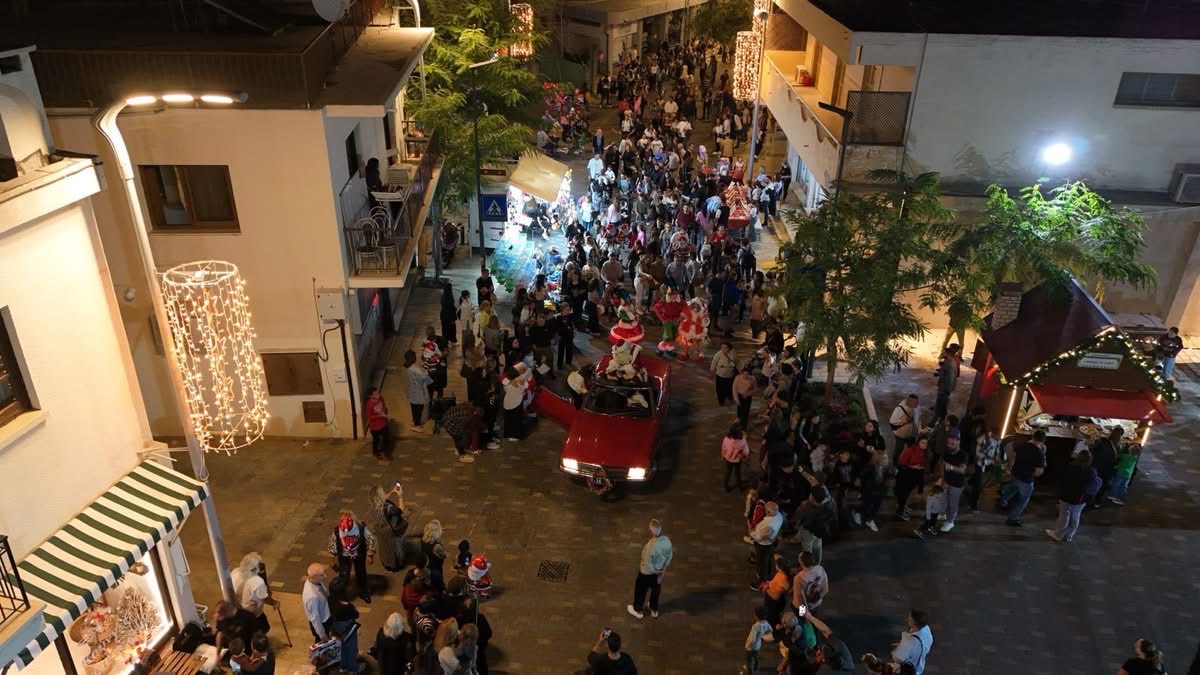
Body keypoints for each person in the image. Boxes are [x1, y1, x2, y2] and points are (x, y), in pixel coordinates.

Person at [1045, 449, 1100, 543]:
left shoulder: (1069, 467)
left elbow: (1061, 480)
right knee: (1075, 516)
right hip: (1081, 498)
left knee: (1064, 515)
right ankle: (1069, 535)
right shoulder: (1092, 471)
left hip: (1066, 495)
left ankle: (1058, 534)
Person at [997, 430, 1047, 526]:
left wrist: (1011, 469)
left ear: (1033, 436)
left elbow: (1012, 458)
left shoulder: (1021, 445)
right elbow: (1038, 472)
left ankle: (1002, 502)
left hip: (1016, 474)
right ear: (1043, 440)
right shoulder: (1039, 453)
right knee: (1022, 501)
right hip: (1026, 480)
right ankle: (1013, 518)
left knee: (1012, 489)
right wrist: (1034, 475)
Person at [627, 518, 673, 619]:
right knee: (656, 590)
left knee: (640, 590)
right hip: (659, 572)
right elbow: (669, 557)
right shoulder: (667, 541)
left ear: (652, 531)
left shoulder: (651, 546)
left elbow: (647, 564)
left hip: (646, 573)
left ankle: (638, 610)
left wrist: (655, 571)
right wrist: (661, 573)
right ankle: (654, 609)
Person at [327, 509, 375, 603]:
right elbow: (332, 543)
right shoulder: (337, 531)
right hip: (344, 556)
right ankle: (341, 595)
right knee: (343, 574)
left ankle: (363, 592)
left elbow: (370, 539)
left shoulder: (361, 528)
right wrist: (332, 558)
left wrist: (370, 554)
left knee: (361, 573)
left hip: (359, 554)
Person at [230, 552, 276, 635]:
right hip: (253, 611)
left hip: (238, 607)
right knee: (264, 628)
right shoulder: (257, 582)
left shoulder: (235, 572)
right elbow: (265, 598)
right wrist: (274, 602)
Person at [367, 484, 410, 572]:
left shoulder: (374, 506)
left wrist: (392, 491)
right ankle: (395, 565)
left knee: (384, 548)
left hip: (380, 531)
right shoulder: (388, 508)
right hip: (390, 532)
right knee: (394, 548)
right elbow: (400, 510)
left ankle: (386, 563)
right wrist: (400, 496)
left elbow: (383, 499)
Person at [749, 501, 784, 589]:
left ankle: (761, 581)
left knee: (761, 563)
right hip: (772, 542)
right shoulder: (779, 516)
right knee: (768, 558)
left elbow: (760, 537)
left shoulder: (766, 525)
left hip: (763, 545)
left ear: (768, 512)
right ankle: (768, 575)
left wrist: (751, 533)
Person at [893, 436, 929, 521]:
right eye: (922, 442)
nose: (924, 445)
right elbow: (901, 464)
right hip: (905, 474)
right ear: (918, 442)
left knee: (907, 493)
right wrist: (912, 466)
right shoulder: (910, 450)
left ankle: (902, 507)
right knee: (902, 493)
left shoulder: (926, 452)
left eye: (926, 443)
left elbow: (924, 465)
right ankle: (900, 511)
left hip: (915, 475)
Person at [890, 610, 933, 675]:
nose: (908, 619)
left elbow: (897, 658)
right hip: (918, 667)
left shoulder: (909, 641)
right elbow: (929, 641)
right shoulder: (926, 628)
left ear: (912, 622)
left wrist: (898, 649)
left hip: (907, 670)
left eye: (909, 618)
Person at [458, 596, 493, 675]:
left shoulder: (479, 619)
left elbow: (488, 633)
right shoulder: (463, 619)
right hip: (469, 653)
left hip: (476, 651)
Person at [1089, 426, 1122, 508]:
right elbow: (1117, 459)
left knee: (1093, 483)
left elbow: (1093, 451)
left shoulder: (1103, 441)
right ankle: (1097, 502)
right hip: (1108, 469)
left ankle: (1090, 499)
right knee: (1102, 486)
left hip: (1097, 466)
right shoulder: (1118, 446)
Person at [302, 563, 332, 641]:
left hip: (325, 613)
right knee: (322, 643)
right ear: (313, 577)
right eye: (321, 575)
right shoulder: (312, 596)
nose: (325, 576)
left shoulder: (315, 581)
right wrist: (322, 635)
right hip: (322, 622)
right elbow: (315, 617)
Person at [792, 550, 828, 614]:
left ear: (801, 562)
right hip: (816, 604)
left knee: (801, 619)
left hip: (803, 608)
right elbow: (825, 589)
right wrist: (814, 601)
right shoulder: (820, 569)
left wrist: (804, 613)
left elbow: (801, 599)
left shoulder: (799, 578)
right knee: (814, 616)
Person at [404, 350, 432, 432]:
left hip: (411, 391)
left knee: (414, 407)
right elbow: (428, 380)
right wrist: (427, 372)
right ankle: (417, 425)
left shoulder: (408, 367)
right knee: (419, 409)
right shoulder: (417, 369)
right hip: (419, 392)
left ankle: (415, 421)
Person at [889, 394, 921, 462]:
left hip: (912, 433)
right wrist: (905, 421)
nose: (917, 404)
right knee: (899, 449)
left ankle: (910, 462)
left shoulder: (917, 407)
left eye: (917, 402)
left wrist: (918, 430)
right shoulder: (899, 409)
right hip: (901, 434)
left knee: (912, 449)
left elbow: (919, 419)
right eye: (915, 403)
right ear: (909, 401)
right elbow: (892, 421)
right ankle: (895, 463)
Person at [743, 606, 773, 675]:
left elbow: (752, 639)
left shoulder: (755, 626)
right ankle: (756, 666)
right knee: (756, 656)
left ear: (756, 616)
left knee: (749, 660)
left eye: (754, 614)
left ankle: (750, 671)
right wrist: (763, 636)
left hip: (751, 647)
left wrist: (747, 646)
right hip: (758, 645)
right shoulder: (766, 623)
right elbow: (770, 630)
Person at [722, 423, 750, 493]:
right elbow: (746, 451)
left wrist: (723, 455)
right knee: (737, 473)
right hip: (737, 460)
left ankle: (726, 487)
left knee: (728, 472)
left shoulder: (726, 439)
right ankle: (740, 487)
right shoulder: (742, 441)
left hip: (728, 458)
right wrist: (744, 455)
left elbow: (723, 448)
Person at [421, 520, 449, 591]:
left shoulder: (423, 540)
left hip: (427, 564)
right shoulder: (436, 546)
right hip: (436, 566)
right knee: (438, 581)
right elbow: (444, 555)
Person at [365, 388, 390, 459]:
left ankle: (386, 452)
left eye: (378, 393)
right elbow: (370, 417)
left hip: (383, 423)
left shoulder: (381, 398)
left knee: (386, 437)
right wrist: (380, 415)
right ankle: (375, 452)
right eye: (375, 394)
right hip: (375, 426)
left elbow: (384, 406)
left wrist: (385, 413)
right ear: (370, 396)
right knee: (376, 440)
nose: (378, 395)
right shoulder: (369, 405)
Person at [710, 341, 737, 405]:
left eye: (725, 348)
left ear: (729, 348)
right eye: (722, 348)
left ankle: (730, 400)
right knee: (719, 390)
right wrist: (712, 371)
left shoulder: (733, 354)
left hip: (730, 375)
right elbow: (713, 363)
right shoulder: (718, 354)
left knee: (730, 389)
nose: (723, 349)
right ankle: (721, 402)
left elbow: (737, 362)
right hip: (720, 375)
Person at [734, 365, 757, 431]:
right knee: (739, 411)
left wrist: (748, 394)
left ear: (749, 374)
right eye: (744, 374)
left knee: (745, 413)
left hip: (747, 398)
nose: (745, 376)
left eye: (747, 374)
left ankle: (743, 428)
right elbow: (734, 388)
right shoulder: (738, 378)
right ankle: (738, 422)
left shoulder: (752, 379)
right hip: (739, 396)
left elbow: (755, 389)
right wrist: (736, 398)